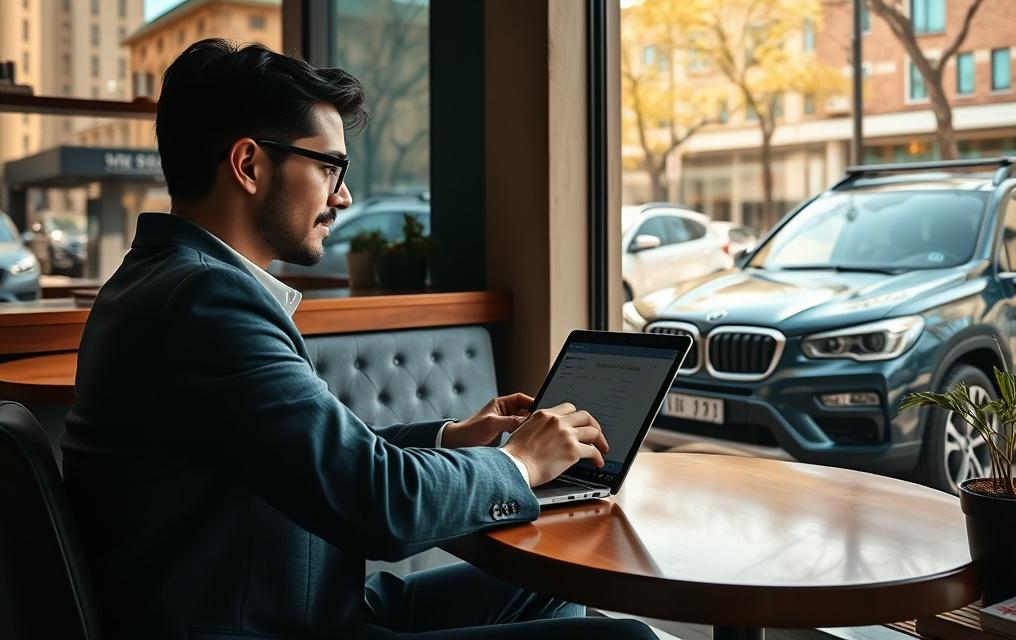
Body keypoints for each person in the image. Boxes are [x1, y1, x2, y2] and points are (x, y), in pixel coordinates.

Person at [62, 39, 657, 640]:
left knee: (545, 586)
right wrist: (520, 462)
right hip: (275, 625)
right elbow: (379, 506)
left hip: (305, 604)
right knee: (625, 638)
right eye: (329, 167)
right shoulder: (206, 303)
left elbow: (314, 456)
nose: (342, 195)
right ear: (248, 165)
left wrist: (452, 438)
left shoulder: (162, 281)